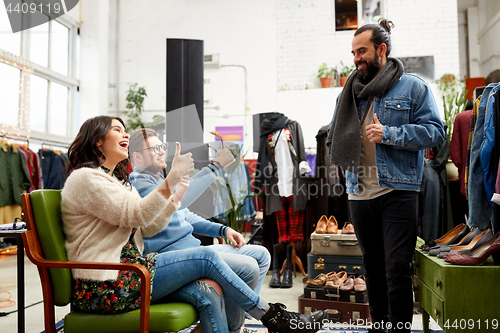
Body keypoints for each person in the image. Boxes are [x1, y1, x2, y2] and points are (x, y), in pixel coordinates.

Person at [61, 115, 328, 333]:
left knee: (211, 290)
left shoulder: (117, 182)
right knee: (207, 255)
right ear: (97, 142)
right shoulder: (86, 179)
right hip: (107, 282)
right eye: (117, 130)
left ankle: (257, 323)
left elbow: (149, 226)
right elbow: (139, 216)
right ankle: (273, 318)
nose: (125, 135)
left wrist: (175, 196)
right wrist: (172, 183)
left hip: (132, 271)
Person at [326, 20, 445, 332]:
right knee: (373, 270)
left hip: (397, 191)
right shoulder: (350, 91)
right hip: (358, 194)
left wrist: (389, 133)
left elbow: (436, 132)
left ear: (381, 50)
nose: (356, 58)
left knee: (397, 270)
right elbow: (333, 136)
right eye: (353, 52)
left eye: (362, 51)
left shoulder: (413, 87)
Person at [128, 127, 271, 333]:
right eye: (154, 147)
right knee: (248, 268)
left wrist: (223, 230)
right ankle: (236, 326)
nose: (161, 151)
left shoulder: (157, 180)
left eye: (161, 146)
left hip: (193, 250)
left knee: (261, 255)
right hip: (175, 257)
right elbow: (180, 200)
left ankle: (237, 321)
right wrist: (215, 166)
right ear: (137, 158)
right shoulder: (139, 182)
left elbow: (184, 214)